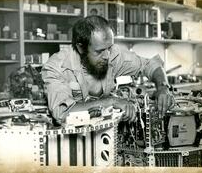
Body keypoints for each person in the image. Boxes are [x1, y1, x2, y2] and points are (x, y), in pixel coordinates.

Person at [41, 15, 173, 124]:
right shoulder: (56, 67)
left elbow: (150, 65)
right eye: (99, 51)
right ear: (81, 48)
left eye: (109, 48)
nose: (107, 56)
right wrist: (112, 102)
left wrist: (163, 87)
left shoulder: (112, 53)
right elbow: (62, 114)